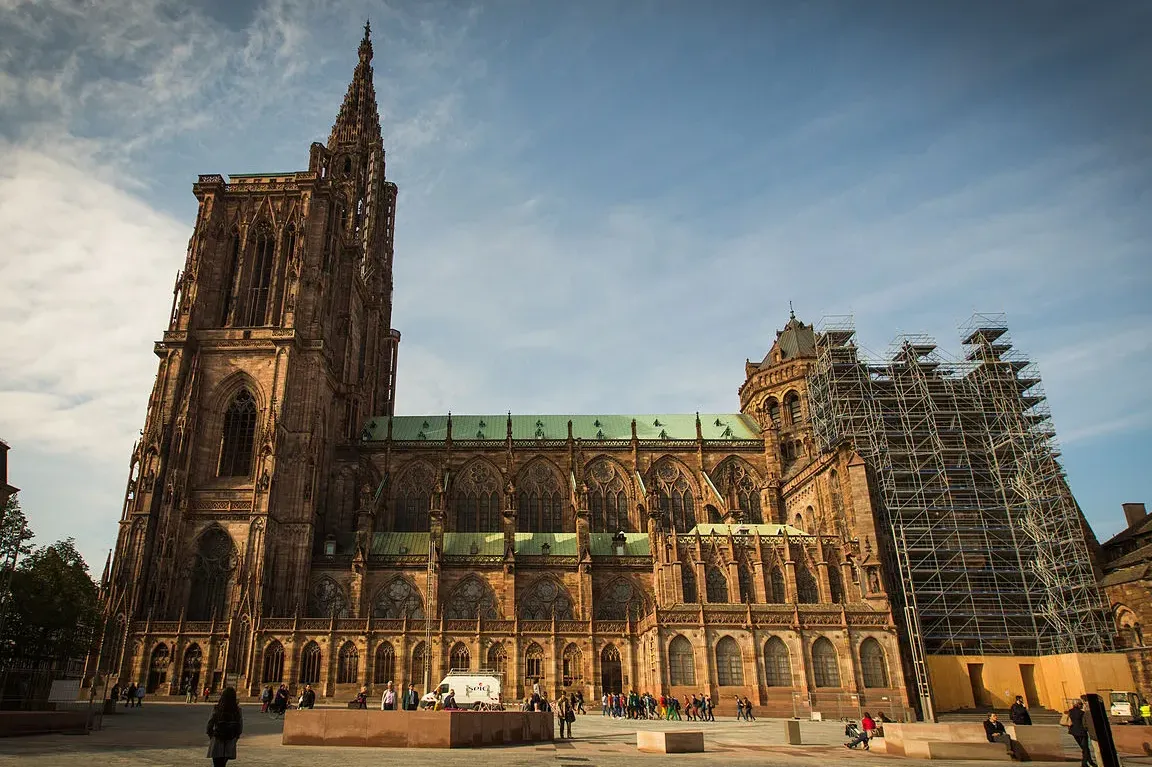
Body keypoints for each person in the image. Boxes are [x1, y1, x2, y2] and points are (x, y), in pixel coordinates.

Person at [205, 686, 243, 767]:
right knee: (223, 764)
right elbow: (240, 727)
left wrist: (212, 736)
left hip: (217, 739)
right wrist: (235, 738)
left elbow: (209, 724)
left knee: (217, 764)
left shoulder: (217, 708)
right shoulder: (237, 710)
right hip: (230, 740)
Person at [1067, 699, 1097, 767]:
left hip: (1074, 732)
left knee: (1084, 748)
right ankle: (1084, 764)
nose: (1082, 705)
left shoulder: (1070, 711)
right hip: (1081, 732)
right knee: (1085, 749)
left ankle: (1090, 762)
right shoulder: (1082, 713)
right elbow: (1085, 723)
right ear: (1078, 704)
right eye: (1081, 704)